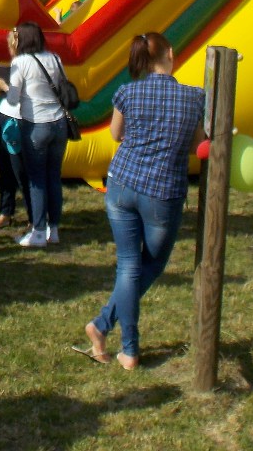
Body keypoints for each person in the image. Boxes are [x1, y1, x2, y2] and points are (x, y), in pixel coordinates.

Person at [80, 32, 204, 369]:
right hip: (162, 192)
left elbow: (115, 134)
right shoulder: (194, 98)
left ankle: (113, 335)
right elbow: (197, 146)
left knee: (129, 265)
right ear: (170, 54)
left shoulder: (127, 92)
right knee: (149, 265)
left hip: (122, 183)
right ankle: (123, 344)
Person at [0, 21, 70, 247]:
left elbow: (13, 99)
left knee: (36, 179)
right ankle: (53, 229)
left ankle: (38, 231)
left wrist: (2, 86)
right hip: (59, 123)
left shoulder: (21, 62)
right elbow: (62, 85)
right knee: (53, 176)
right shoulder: (55, 58)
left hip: (36, 124)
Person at [0, 28, 29, 231]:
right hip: (5, 118)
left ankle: (34, 217)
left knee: (20, 171)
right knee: (4, 169)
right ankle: (6, 212)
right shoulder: (14, 65)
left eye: (11, 44)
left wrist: (4, 86)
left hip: (18, 121)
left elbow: (24, 96)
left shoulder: (29, 65)